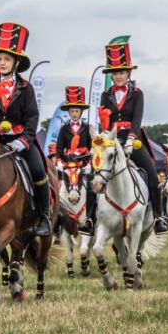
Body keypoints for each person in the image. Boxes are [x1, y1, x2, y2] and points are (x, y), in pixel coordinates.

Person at [0, 22, 51, 237]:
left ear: (16, 62)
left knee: (39, 170)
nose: (2, 63)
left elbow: (32, 118)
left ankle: (44, 216)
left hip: (21, 141)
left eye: (6, 59)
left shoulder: (26, 89)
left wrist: (22, 141)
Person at [97, 42, 168, 234]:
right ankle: (89, 217)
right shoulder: (105, 95)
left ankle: (159, 217)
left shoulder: (138, 94)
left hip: (132, 141)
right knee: (95, 174)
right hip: (112, 141)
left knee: (152, 174)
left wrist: (130, 139)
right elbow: (105, 121)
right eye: (115, 72)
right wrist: (105, 137)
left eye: (122, 72)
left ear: (129, 73)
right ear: (111, 75)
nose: (119, 75)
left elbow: (137, 119)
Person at [55, 85, 94, 235]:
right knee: (57, 186)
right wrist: (58, 161)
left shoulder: (87, 128)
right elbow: (59, 149)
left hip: (84, 164)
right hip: (68, 164)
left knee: (93, 185)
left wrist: (89, 164)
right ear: (69, 112)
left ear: (81, 112)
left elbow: (91, 149)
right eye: (72, 111)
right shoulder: (64, 129)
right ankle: (58, 219)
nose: (74, 114)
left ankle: (91, 217)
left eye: (77, 111)